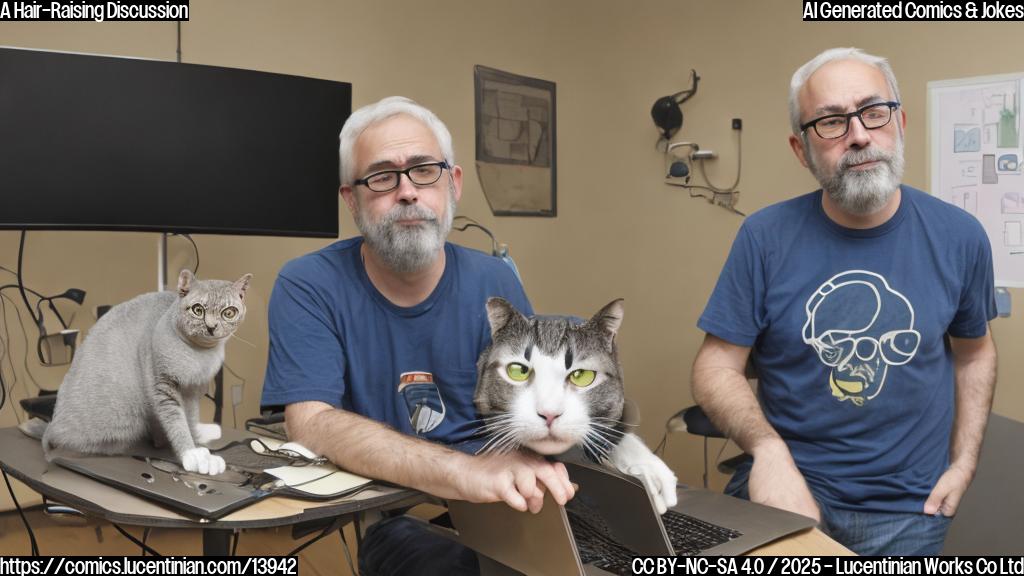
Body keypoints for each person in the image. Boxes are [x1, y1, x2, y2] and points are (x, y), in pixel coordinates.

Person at [691, 47, 998, 555]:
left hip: (908, 514)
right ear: (800, 148)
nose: (858, 135)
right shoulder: (763, 237)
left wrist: (963, 464)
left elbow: (975, 352)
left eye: (874, 112)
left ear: (901, 122)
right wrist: (767, 453)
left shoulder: (960, 237)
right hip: (786, 491)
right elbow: (715, 367)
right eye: (830, 122)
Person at [260, 96, 575, 575]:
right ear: (352, 200)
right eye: (383, 176)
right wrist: (465, 474)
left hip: (508, 499)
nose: (407, 191)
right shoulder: (308, 284)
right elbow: (310, 422)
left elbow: (529, 409)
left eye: (424, 170)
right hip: (406, 516)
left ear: (453, 183)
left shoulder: (495, 280)